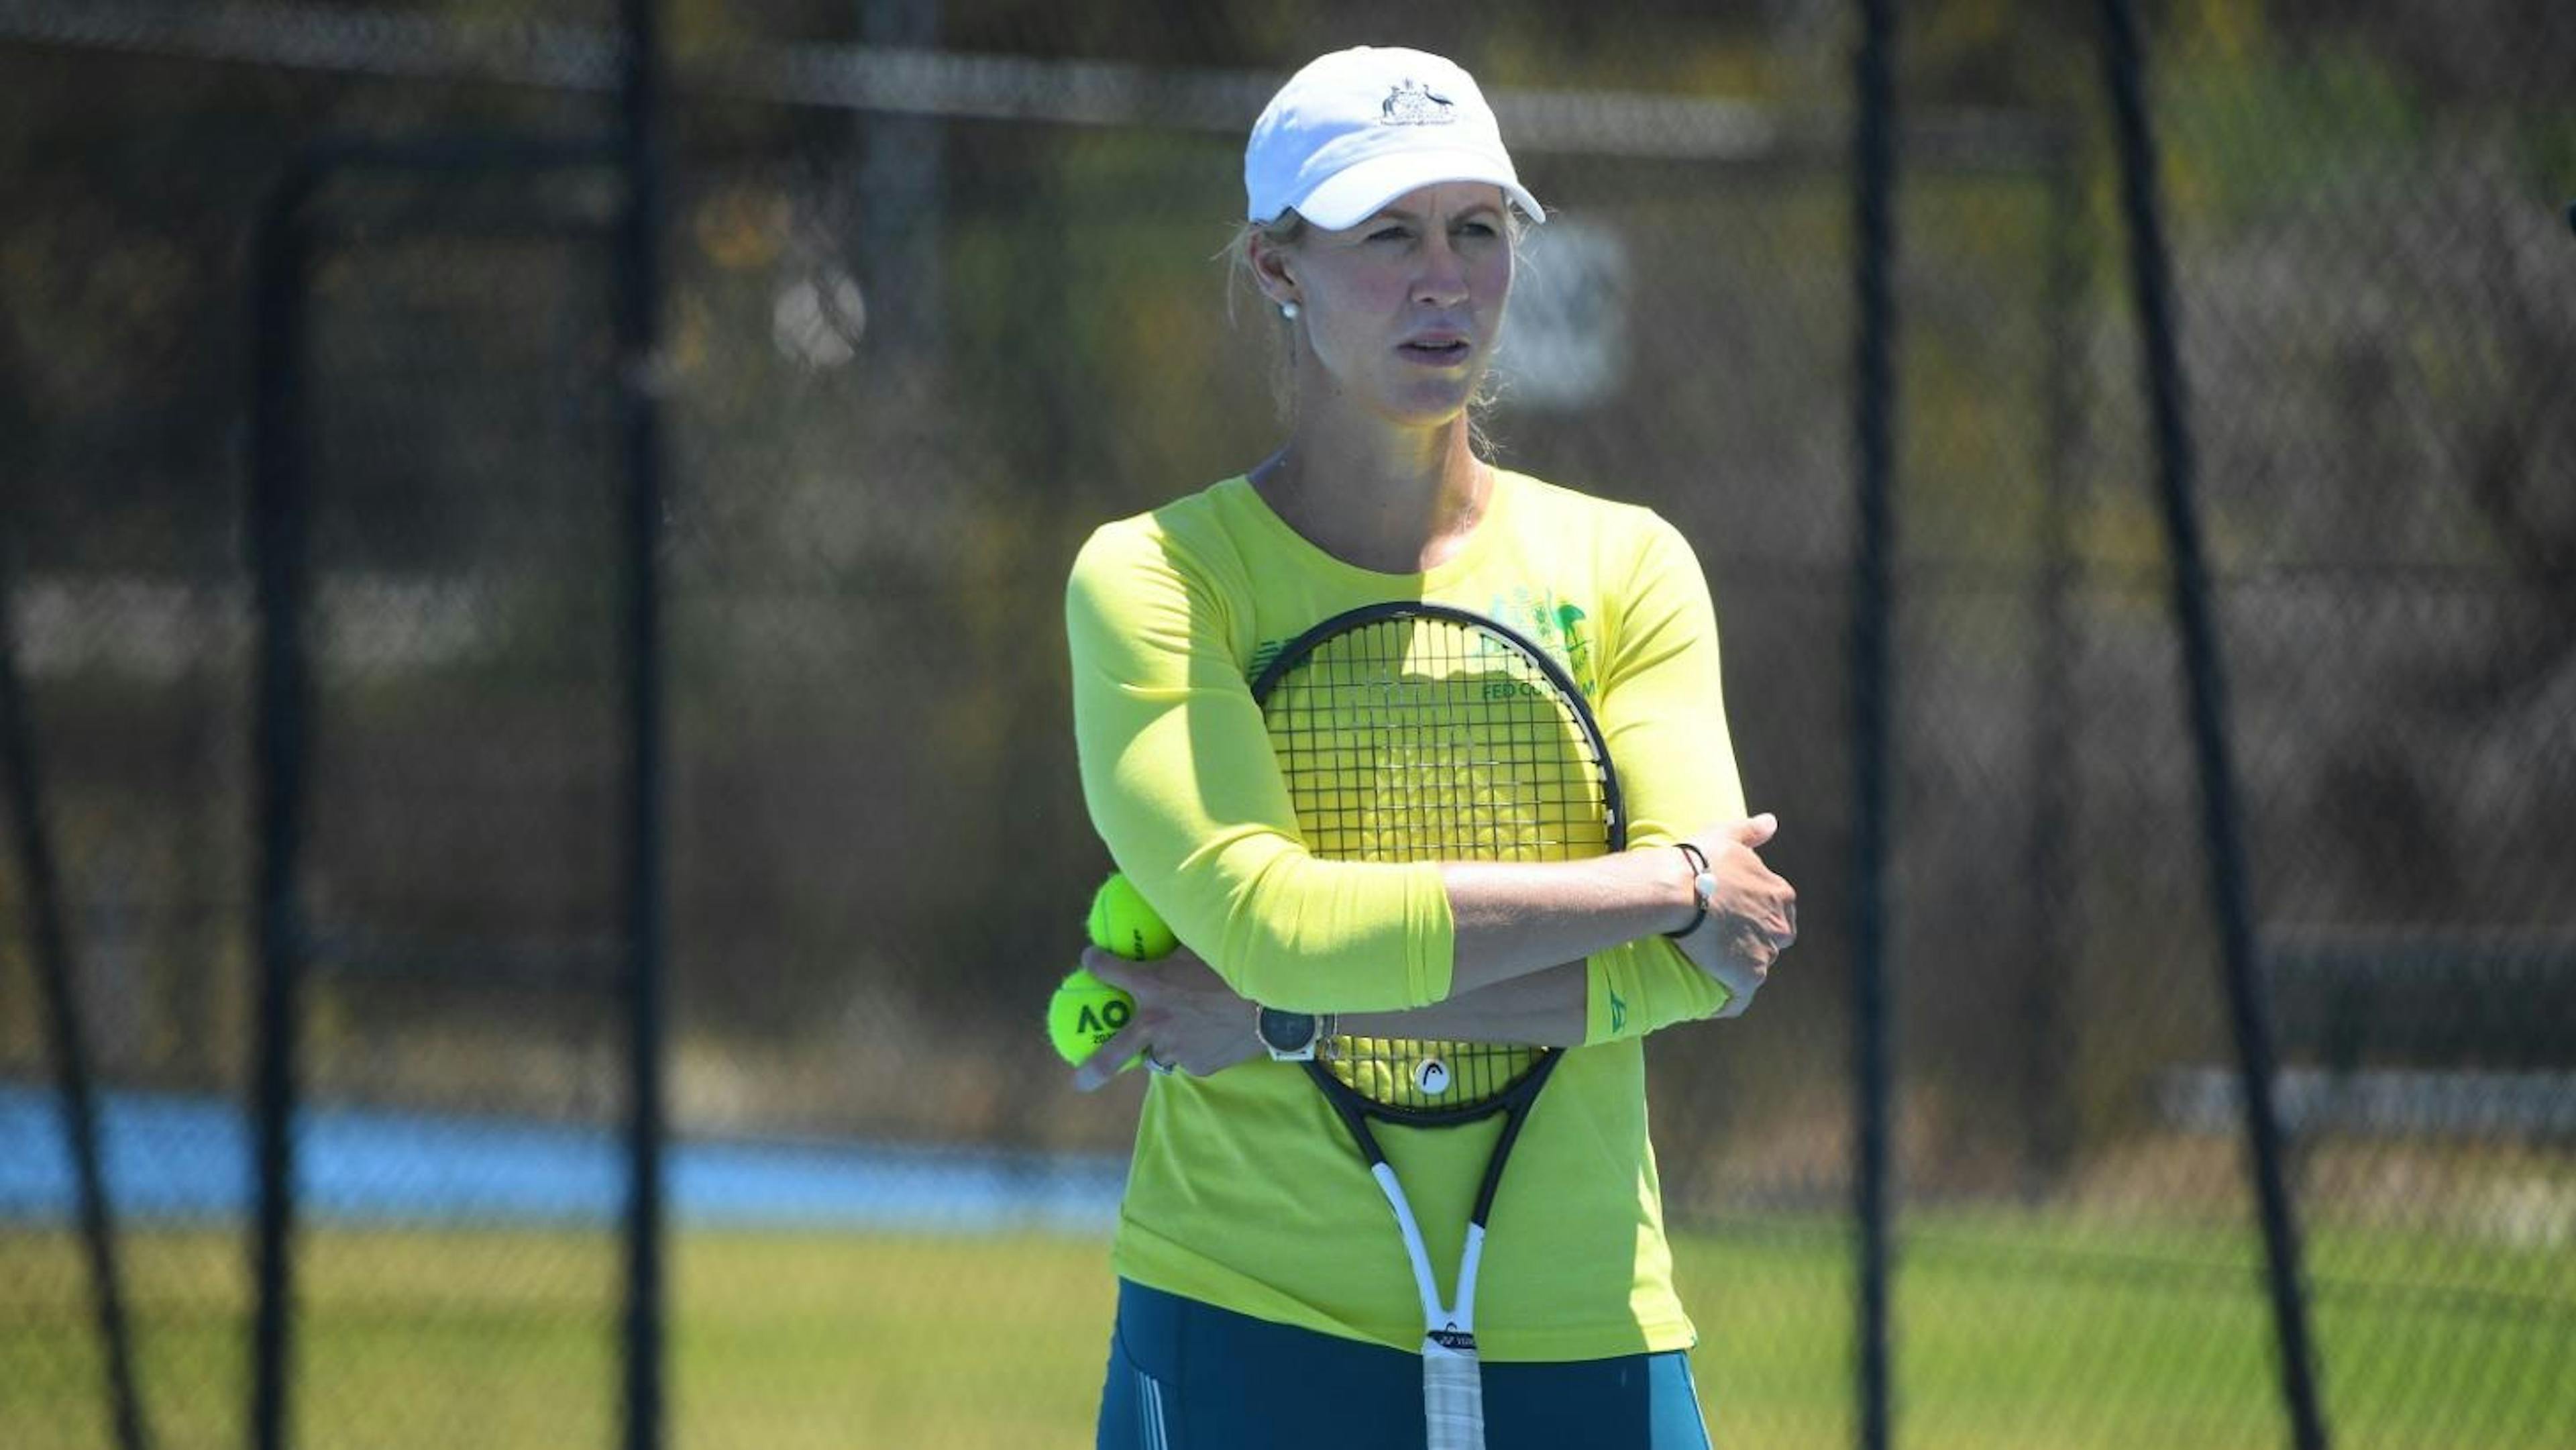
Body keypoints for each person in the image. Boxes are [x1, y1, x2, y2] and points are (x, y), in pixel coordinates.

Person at [1061, 45, 1799, 1450]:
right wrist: (1670, 883)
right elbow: (1271, 920)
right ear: (1279, 266)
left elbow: (1715, 972)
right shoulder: (1156, 576)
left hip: (1593, 1333)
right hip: (1246, 1325)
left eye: (1477, 229)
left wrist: (1289, 1022)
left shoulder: (1630, 564)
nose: (1443, 278)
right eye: (1387, 233)